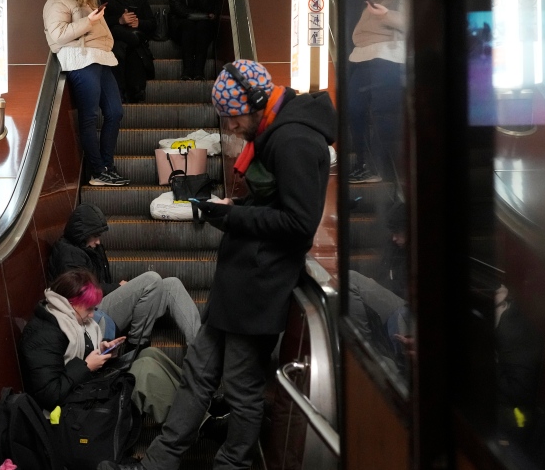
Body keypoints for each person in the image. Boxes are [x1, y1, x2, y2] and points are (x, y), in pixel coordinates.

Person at [99, 60, 337, 470]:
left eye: (230, 118)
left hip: (260, 288)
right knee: (198, 373)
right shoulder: (276, 133)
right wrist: (234, 207)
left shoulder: (294, 140)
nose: (228, 128)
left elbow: (300, 224)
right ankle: (158, 463)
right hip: (240, 282)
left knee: (243, 390)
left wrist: (234, 216)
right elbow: (273, 206)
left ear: (254, 104)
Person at [19, 269, 185, 426]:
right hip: (73, 408)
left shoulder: (71, 320)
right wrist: (87, 366)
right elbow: (49, 394)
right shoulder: (44, 334)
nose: (92, 315)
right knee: (144, 368)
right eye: (89, 308)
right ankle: (193, 423)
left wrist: (103, 349)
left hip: (87, 385)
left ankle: (195, 402)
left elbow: (77, 354)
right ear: (71, 303)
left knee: (150, 353)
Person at [48, 204, 202, 353]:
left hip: (102, 303)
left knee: (172, 285)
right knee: (151, 279)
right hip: (90, 314)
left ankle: (199, 350)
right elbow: (81, 293)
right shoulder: (68, 255)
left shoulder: (89, 248)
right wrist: (117, 288)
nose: (98, 241)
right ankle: (135, 345)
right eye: (95, 236)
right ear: (81, 235)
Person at [43, 0, 130, 186]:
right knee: (89, 116)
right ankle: (97, 171)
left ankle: (107, 166)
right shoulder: (56, 2)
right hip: (80, 59)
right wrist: (89, 23)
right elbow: (58, 35)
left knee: (115, 112)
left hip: (100, 58)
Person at [346, 0, 407, 184]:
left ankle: (387, 171)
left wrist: (386, 15)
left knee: (383, 117)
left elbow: (414, 23)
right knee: (355, 110)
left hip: (388, 57)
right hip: (365, 56)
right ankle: (364, 164)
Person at [102, 0, 157, 104]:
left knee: (134, 51)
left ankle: (135, 92)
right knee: (118, 51)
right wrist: (119, 20)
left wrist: (139, 23)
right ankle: (118, 92)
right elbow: (99, 24)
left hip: (136, 41)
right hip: (115, 41)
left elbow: (152, 24)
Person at [169, 0, 220, 80]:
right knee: (189, 26)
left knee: (203, 27)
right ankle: (187, 71)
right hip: (183, 21)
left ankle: (199, 72)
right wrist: (192, 15)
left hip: (203, 24)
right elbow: (175, 5)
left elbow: (209, 7)